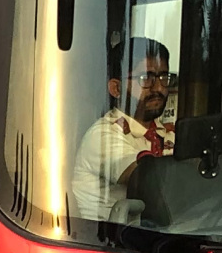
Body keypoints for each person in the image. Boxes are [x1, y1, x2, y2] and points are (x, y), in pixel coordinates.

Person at [70, 38, 174, 223]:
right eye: (146, 78)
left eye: (164, 78)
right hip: (107, 243)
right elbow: (149, 182)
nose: (158, 88)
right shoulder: (102, 136)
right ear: (116, 88)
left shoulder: (166, 133)